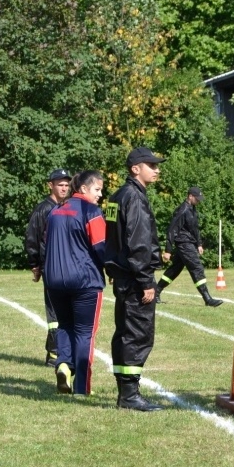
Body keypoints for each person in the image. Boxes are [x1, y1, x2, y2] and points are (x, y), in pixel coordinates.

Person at [104, 147, 166, 411]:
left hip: (122, 275)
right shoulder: (134, 198)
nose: (157, 170)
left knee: (124, 333)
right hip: (133, 278)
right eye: (151, 165)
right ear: (135, 168)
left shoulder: (116, 196)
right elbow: (138, 243)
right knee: (137, 334)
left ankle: (126, 392)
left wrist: (112, 270)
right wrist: (146, 281)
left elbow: (110, 238)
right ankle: (129, 395)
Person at [43, 170, 107, 396]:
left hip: (54, 280)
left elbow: (47, 243)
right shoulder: (91, 211)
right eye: (97, 189)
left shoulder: (55, 211)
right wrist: (115, 269)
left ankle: (63, 365)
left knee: (64, 326)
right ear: (83, 189)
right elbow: (101, 247)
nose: (100, 194)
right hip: (84, 281)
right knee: (84, 333)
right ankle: (82, 387)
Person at [25, 168, 72, 366]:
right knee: (54, 311)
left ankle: (56, 351)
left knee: (65, 310)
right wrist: (35, 264)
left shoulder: (68, 207)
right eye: (60, 184)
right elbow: (32, 237)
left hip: (66, 266)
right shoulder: (43, 209)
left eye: (66, 185)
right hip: (49, 266)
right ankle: (54, 354)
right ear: (50, 185)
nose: (64, 188)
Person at [156, 186, 223, 307]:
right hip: (184, 244)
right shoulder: (183, 210)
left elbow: (194, 229)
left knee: (175, 269)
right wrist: (168, 250)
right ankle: (207, 299)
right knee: (197, 268)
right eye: (197, 199)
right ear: (190, 196)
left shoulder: (192, 209)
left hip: (189, 243)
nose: (198, 201)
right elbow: (172, 230)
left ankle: (156, 291)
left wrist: (199, 244)